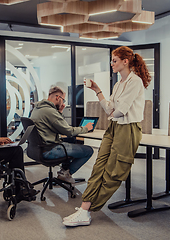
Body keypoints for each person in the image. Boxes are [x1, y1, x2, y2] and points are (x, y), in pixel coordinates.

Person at [62, 46, 151, 227]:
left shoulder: (135, 82)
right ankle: (84, 209)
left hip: (128, 129)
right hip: (115, 127)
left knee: (113, 172)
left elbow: (120, 111)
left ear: (125, 62)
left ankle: (87, 209)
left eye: (114, 60)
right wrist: (97, 90)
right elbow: (110, 110)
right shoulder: (118, 84)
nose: (111, 64)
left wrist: (112, 112)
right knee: (98, 167)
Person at [30, 86, 94, 184]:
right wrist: (86, 128)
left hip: (37, 149)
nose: (63, 102)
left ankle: (64, 172)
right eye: (63, 100)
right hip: (49, 150)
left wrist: (59, 112)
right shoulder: (50, 111)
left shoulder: (38, 108)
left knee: (71, 140)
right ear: (57, 98)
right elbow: (68, 131)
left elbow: (56, 125)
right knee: (88, 150)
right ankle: (66, 173)